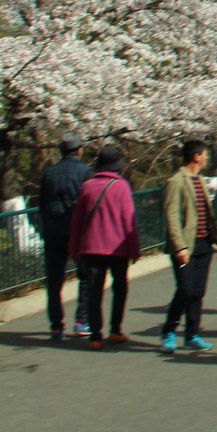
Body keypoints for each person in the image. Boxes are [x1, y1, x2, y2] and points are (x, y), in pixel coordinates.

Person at [68, 146, 140, 349]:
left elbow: (77, 222)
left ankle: (95, 336)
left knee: (94, 291)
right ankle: (115, 330)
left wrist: (74, 248)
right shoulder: (122, 186)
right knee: (120, 288)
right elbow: (129, 222)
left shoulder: (87, 187)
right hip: (118, 249)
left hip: (91, 248)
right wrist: (135, 249)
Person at [159, 140, 217, 353]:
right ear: (196, 157)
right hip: (185, 245)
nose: (207, 158)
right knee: (185, 289)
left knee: (197, 291)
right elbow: (171, 215)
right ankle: (169, 331)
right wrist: (179, 247)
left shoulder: (200, 180)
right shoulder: (176, 181)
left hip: (204, 243)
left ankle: (192, 334)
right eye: (205, 155)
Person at [38, 132, 92, 340]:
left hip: (53, 232)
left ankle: (56, 326)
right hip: (78, 232)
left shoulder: (48, 173)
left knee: (54, 281)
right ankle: (82, 321)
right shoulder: (85, 172)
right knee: (85, 277)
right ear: (79, 150)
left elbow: (42, 204)